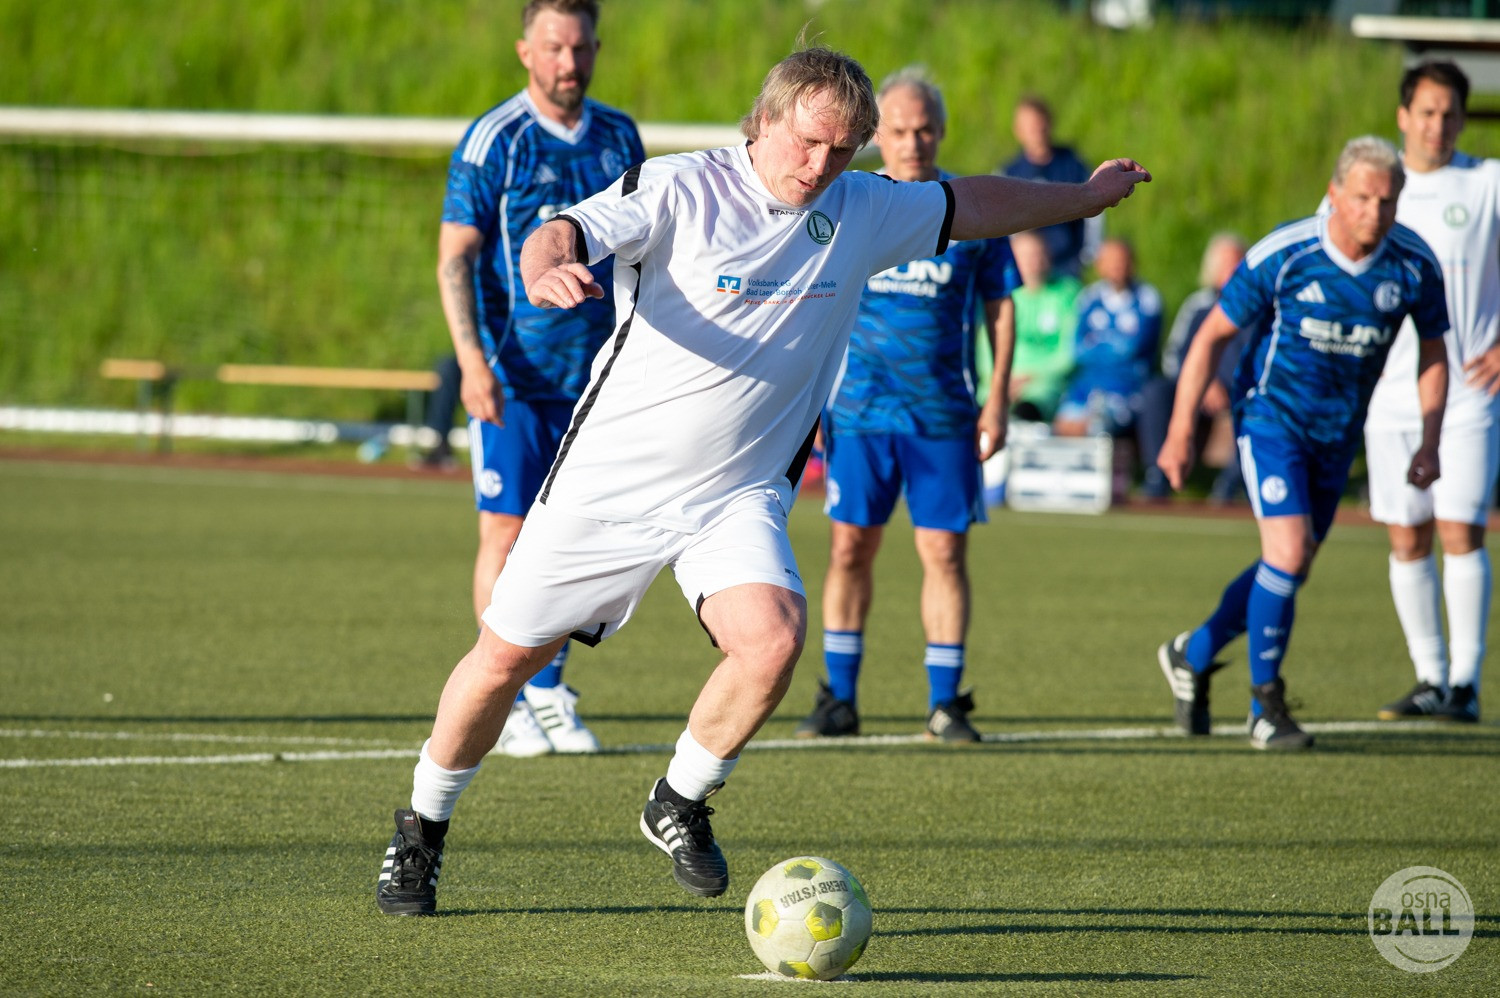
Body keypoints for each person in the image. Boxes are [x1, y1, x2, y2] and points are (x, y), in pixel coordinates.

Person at [374, 40, 1148, 916]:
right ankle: (421, 829)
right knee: (504, 659)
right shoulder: (681, 187)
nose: (821, 167)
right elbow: (566, 229)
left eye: (843, 150)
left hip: (734, 496)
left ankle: (679, 798)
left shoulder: (861, 207)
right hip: (609, 486)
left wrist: (1083, 197)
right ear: (764, 120)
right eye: (808, 142)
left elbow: (973, 202)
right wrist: (542, 266)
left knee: (774, 639)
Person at [1156, 136, 1449, 751]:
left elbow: (1432, 352)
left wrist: (1430, 440)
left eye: (1387, 201)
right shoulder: (1287, 253)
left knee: (1291, 565)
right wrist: (1181, 430)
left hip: (1337, 436)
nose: (1374, 212)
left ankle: (1193, 653)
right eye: (1362, 197)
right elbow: (1210, 337)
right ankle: (1265, 706)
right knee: (1287, 554)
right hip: (1271, 420)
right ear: (1335, 193)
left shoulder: (1414, 265)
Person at [434, 0, 645, 756]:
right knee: (507, 530)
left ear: (596, 49)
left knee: (576, 539)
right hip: (513, 375)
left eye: (580, 47)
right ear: (526, 50)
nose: (568, 62)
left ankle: (549, 688)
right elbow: (456, 257)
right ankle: (511, 696)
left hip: (598, 380)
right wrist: (471, 362)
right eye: (554, 47)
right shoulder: (496, 139)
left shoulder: (619, 137)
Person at [790, 67, 1020, 744]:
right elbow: (806, 299)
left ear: (940, 132)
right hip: (858, 413)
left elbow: (1000, 306)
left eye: (924, 130)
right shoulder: (848, 204)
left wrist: (998, 397)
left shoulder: (971, 210)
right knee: (849, 549)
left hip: (943, 416)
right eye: (898, 131)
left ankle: (946, 703)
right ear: (876, 136)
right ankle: (839, 698)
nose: (913, 142)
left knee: (944, 554)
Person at [1372, 61, 1498, 725]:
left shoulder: (1487, 182)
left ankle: (1465, 684)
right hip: (1388, 393)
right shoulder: (1372, 185)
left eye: (1450, 114)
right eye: (1426, 112)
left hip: (1469, 391)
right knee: (1407, 535)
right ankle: (1428, 677)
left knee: (1460, 528)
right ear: (1403, 116)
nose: (1437, 125)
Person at [1137, 232, 1248, 500]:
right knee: (1155, 391)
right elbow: (1175, 355)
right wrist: (1204, 385)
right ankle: (1158, 476)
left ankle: (1231, 485)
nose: (1232, 270)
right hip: (1197, 389)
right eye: (1226, 265)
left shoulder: (1257, 308)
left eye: (1238, 263)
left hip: (1239, 391)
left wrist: (1228, 386)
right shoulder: (1197, 306)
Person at [1053, 237, 1162, 500]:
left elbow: (1133, 349)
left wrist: (1099, 344)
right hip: (1086, 387)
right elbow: (1077, 350)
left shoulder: (1147, 298)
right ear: (1099, 265)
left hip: (1127, 389)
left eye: (1121, 261)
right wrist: (1113, 345)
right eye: (1110, 261)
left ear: (1132, 263)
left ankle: (1099, 491)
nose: (1116, 267)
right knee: (1063, 423)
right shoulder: (1089, 298)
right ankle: (1067, 490)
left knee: (1095, 424)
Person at [998, 95, 1102, 278]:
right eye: (1030, 126)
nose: (1037, 130)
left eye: (1039, 123)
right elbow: (999, 220)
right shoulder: (1008, 173)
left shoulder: (1072, 165)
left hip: (1067, 264)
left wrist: (1087, 254)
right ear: (1018, 130)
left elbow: (1095, 207)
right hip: (1027, 271)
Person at [1008, 229, 1081, 424]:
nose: (1035, 262)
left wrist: (1032, 377)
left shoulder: (1068, 294)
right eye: (1027, 256)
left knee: (1029, 409)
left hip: (1046, 385)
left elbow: (1071, 350)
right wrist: (1002, 379)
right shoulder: (1002, 296)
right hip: (1002, 382)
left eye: (1038, 254)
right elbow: (985, 348)